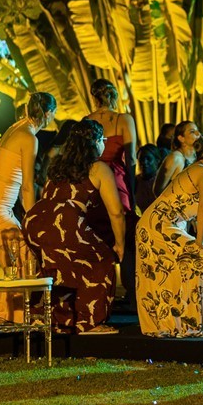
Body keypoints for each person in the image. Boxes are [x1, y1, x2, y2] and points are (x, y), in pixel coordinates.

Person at [24, 119, 126, 335]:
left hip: (36, 222)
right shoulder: (98, 168)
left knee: (58, 266)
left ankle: (52, 318)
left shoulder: (57, 166)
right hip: (65, 222)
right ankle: (89, 322)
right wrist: (119, 244)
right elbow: (116, 212)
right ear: (95, 142)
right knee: (103, 260)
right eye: (103, 140)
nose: (104, 144)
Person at [136, 132, 203, 338]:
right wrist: (200, 241)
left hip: (153, 223)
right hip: (161, 225)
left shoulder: (193, 168)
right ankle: (199, 324)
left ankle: (175, 323)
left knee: (170, 271)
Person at [0, 92, 56, 324]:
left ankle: (5, 311)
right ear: (48, 114)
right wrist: (33, 221)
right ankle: (8, 313)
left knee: (17, 261)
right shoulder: (29, 138)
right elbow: (27, 186)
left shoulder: (15, 128)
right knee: (25, 257)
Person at [83, 79, 138, 304]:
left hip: (93, 181)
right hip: (116, 181)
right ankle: (132, 294)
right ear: (113, 96)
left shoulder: (87, 121)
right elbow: (131, 158)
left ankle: (99, 294)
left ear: (94, 97)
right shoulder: (124, 119)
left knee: (97, 235)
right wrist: (132, 190)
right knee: (125, 234)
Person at [152, 120, 200, 197]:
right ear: (181, 138)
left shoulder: (198, 156)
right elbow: (158, 190)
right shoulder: (175, 158)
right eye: (192, 132)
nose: (198, 134)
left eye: (197, 131)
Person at [134, 143, 164, 214]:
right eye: (141, 159)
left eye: (148, 159)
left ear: (157, 160)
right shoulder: (135, 182)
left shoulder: (163, 180)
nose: (144, 162)